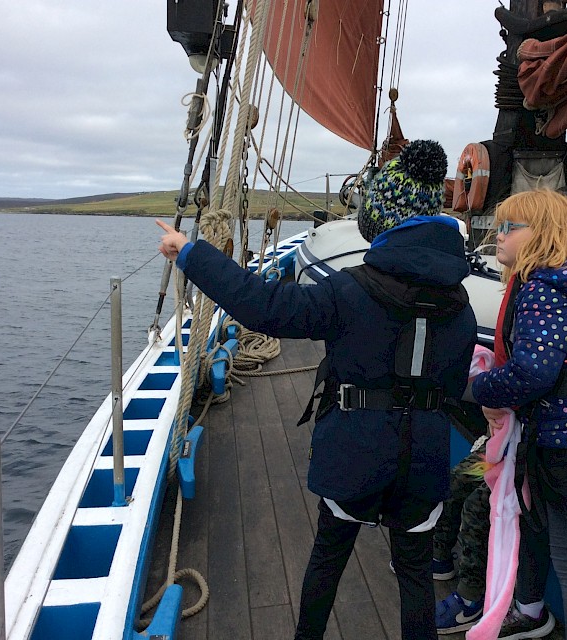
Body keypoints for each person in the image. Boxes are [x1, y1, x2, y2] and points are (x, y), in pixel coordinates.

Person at [157, 139, 478, 640]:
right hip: (424, 460)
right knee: (415, 574)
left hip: (356, 452)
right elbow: (455, 384)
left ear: (378, 222)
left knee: (329, 556)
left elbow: (263, 306)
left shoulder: (348, 290)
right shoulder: (461, 304)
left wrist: (192, 254)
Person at [469, 189, 567, 640]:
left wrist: (480, 387)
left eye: (509, 228)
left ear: (542, 234)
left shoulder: (545, 290)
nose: (497, 236)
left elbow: (532, 371)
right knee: (554, 541)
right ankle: (533, 612)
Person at [431, 437, 491, 635]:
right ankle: (439, 555)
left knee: (478, 504)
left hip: (529, 458)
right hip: (500, 450)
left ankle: (471, 597)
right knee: (456, 480)